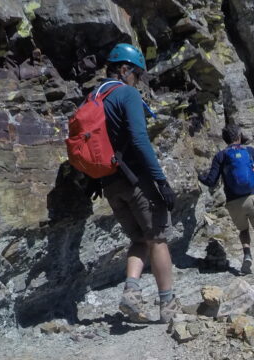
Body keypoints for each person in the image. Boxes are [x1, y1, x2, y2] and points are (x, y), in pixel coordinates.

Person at [94, 43, 179, 322]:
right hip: (135, 180)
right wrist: (161, 180)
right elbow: (140, 140)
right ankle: (167, 306)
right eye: (137, 74)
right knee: (157, 238)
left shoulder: (94, 98)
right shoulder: (125, 93)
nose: (138, 81)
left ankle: (131, 291)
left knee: (139, 239)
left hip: (109, 184)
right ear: (123, 69)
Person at [198, 125, 254, 282]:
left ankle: (247, 253)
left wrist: (198, 176)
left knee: (243, 230)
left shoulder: (220, 156)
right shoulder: (250, 152)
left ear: (225, 139)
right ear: (239, 137)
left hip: (234, 202)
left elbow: (210, 181)